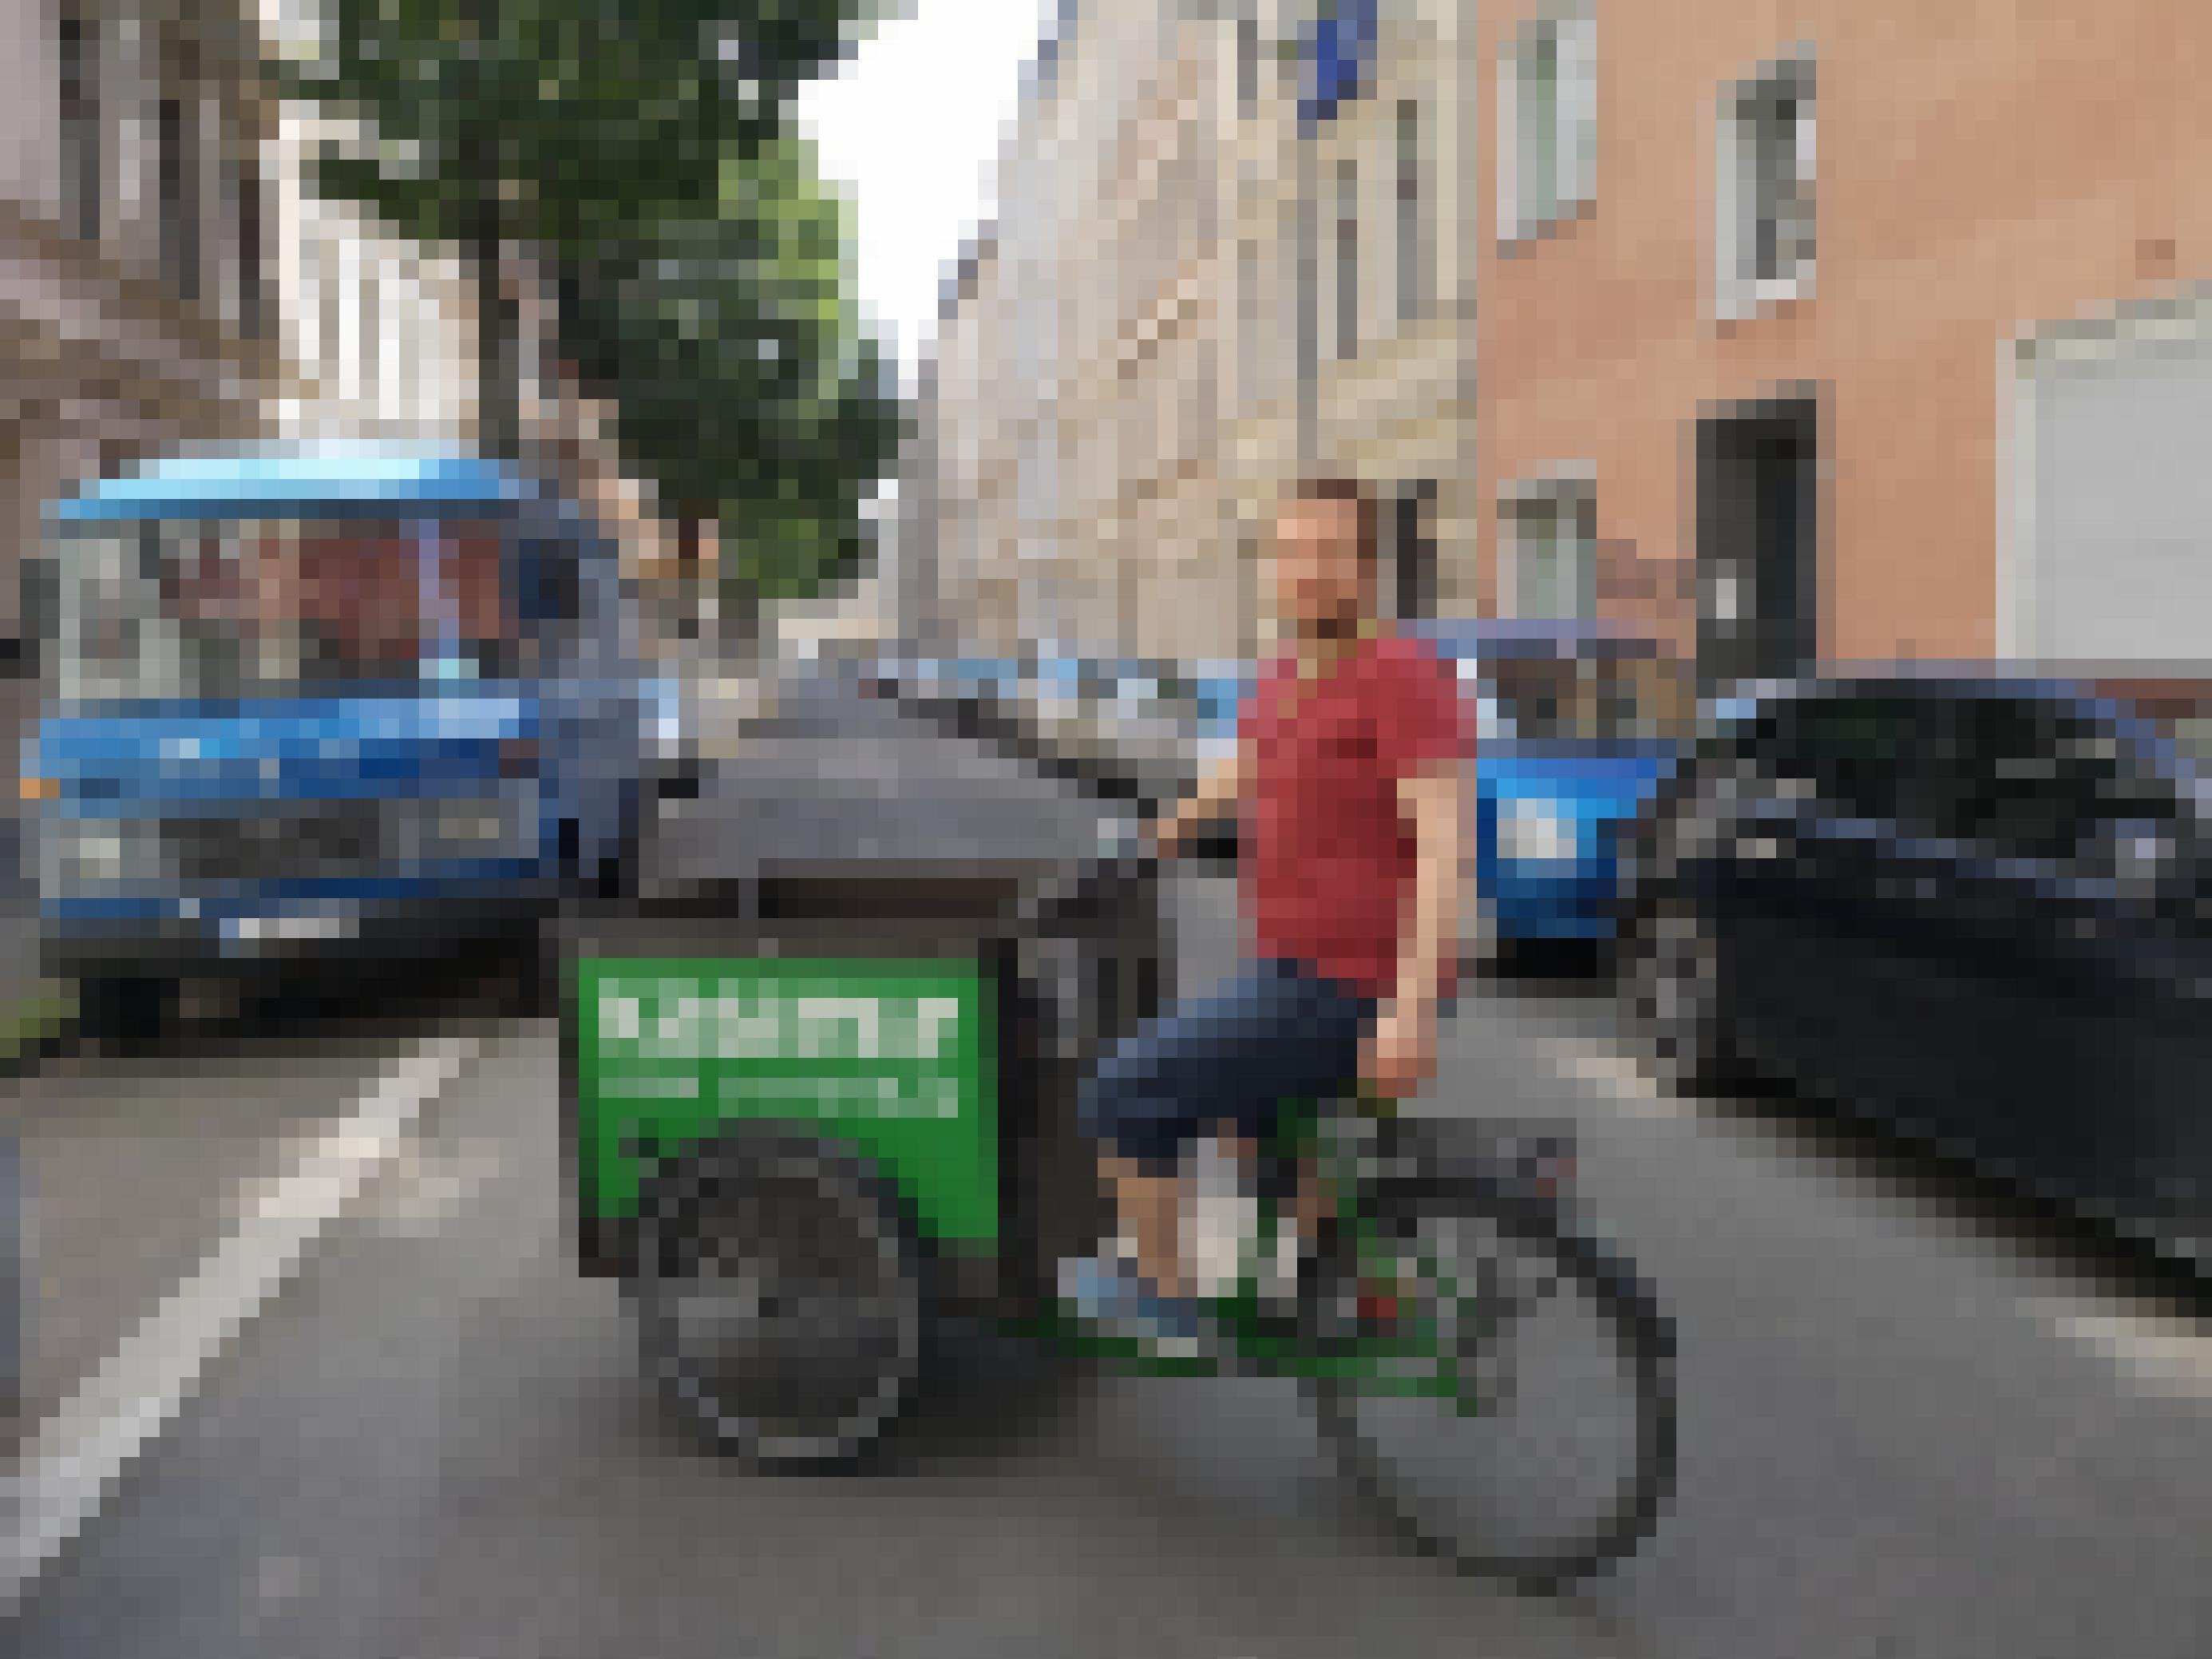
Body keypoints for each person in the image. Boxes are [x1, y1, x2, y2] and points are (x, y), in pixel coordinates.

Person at [1062, 477, 1470, 1347]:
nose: (1305, 571)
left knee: (1123, 1092)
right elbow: (1240, 771)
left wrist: (1406, 1013)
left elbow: (1444, 849)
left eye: (1327, 552)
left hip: (1348, 981)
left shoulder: (1398, 675)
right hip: (1293, 963)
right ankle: (1352, 1288)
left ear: (1366, 567)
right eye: (1289, 552)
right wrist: (1155, 839)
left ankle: (1161, 1297)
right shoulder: (1285, 673)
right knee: (1251, 1132)